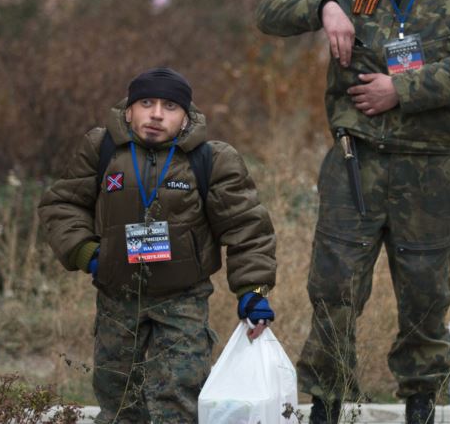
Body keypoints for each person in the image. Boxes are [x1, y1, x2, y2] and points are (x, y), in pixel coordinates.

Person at [254, 0, 450, 424]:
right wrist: (324, 7)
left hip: (428, 167)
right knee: (334, 289)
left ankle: (419, 403)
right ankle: (329, 402)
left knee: (424, 294)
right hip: (354, 162)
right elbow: (268, 8)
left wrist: (400, 90)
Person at [39, 67, 277, 423]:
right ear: (129, 110)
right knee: (119, 399)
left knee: (178, 398)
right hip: (117, 297)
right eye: (146, 103)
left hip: (183, 300)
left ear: (185, 117)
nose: (156, 114)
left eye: (169, 106)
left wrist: (253, 290)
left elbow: (247, 226)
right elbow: (62, 205)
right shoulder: (102, 148)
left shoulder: (212, 159)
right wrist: (87, 253)